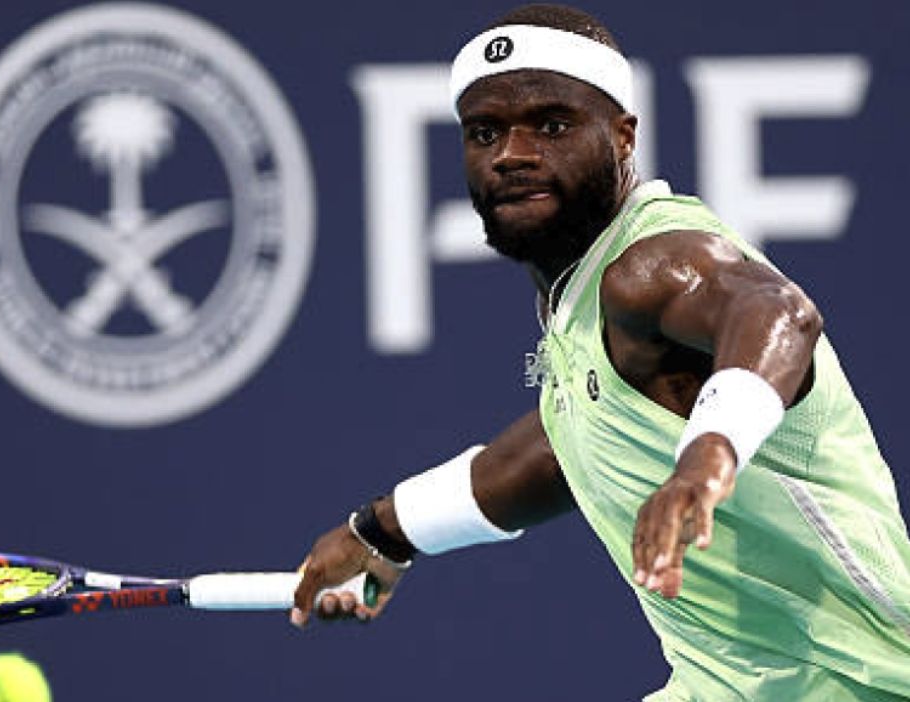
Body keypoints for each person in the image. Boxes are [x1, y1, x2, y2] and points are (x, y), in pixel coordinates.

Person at [290, 4, 910, 700]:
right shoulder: (582, 304)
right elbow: (563, 447)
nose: (511, 153)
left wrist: (704, 463)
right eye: (485, 132)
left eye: (551, 125)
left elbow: (779, 313)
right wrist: (383, 531)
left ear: (622, 137)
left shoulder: (651, 263)